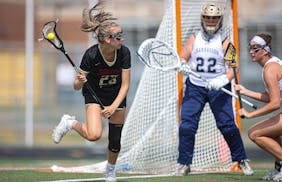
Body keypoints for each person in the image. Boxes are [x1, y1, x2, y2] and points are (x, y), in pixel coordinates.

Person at [52, 2, 131, 182]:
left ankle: (110, 171)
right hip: (95, 95)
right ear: (106, 39)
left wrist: (113, 106)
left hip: (116, 96)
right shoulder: (91, 55)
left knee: (115, 140)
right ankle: (70, 123)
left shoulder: (124, 53)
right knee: (94, 135)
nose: (122, 39)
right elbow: (76, 86)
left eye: (121, 35)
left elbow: (125, 85)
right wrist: (79, 81)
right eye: (118, 36)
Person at [176, 2, 253, 175]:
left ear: (220, 19)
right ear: (202, 18)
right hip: (195, 86)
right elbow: (182, 56)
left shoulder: (226, 41)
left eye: (214, 18)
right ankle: (184, 163)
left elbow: (235, 67)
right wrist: (181, 64)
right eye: (208, 17)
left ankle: (241, 159)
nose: (211, 21)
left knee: (227, 125)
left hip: (219, 88)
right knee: (187, 125)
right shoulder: (194, 37)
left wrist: (223, 79)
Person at [234, 33, 282, 180]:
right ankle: (279, 167)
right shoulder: (272, 65)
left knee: (254, 133)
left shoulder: (269, 70)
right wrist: (246, 91)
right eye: (250, 47)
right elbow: (272, 96)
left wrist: (250, 115)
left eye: (256, 48)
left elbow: (275, 103)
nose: (251, 51)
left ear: (266, 50)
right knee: (271, 134)